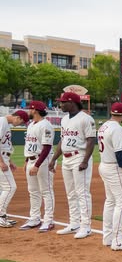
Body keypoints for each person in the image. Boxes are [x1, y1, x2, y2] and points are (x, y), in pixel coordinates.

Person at [48, 92, 97, 239]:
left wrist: (85, 161)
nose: (60, 105)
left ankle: (86, 226)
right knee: (71, 193)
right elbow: (62, 142)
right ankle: (74, 223)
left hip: (79, 156)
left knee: (82, 193)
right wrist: (53, 159)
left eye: (63, 102)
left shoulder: (86, 119)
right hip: (67, 159)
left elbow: (90, 140)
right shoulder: (64, 120)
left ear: (72, 103)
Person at [97, 102, 122, 250]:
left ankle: (107, 237)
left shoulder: (103, 126)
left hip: (104, 165)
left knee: (111, 201)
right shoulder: (118, 129)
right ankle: (118, 241)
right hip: (114, 168)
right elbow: (120, 155)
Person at [20, 101, 55, 231]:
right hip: (31, 160)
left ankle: (48, 220)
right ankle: (34, 218)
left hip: (42, 161)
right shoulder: (31, 124)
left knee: (46, 191)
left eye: (30, 109)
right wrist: (26, 161)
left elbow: (47, 147)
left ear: (35, 110)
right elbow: (29, 145)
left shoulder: (46, 125)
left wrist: (37, 165)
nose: (29, 111)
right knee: (33, 191)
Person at [0, 110, 31, 228]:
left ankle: (2, 215)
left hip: (4, 157)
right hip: (1, 159)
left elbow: (4, 145)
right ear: (17, 117)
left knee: (6, 187)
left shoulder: (5, 124)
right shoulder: (2, 122)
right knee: (10, 187)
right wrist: (1, 162)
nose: (21, 124)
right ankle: (1, 216)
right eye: (22, 122)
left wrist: (10, 161)